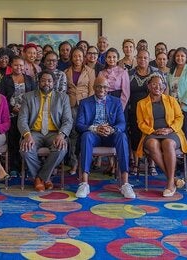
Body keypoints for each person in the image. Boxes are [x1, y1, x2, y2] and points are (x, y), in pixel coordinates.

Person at [76, 77, 135, 198]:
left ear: (108, 89)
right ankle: (84, 183)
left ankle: (125, 184)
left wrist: (112, 129)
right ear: (93, 87)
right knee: (86, 136)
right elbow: (79, 125)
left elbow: (122, 123)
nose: (102, 89)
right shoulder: (84, 103)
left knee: (122, 136)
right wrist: (95, 129)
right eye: (99, 86)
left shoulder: (116, 101)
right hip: (93, 135)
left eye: (105, 87)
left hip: (110, 135)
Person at [18, 70, 72, 192]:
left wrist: (61, 135)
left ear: (54, 83)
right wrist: (27, 135)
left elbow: (68, 120)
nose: (46, 83)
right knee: (25, 150)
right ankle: (45, 178)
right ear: (39, 82)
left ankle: (39, 178)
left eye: (49, 81)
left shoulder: (63, 97)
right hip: (34, 133)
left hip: (54, 133)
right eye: (43, 80)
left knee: (61, 148)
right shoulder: (28, 97)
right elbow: (22, 119)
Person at [136, 73, 187, 197]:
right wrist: (153, 131)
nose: (157, 87)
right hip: (152, 133)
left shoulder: (171, 100)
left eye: (160, 84)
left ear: (164, 86)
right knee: (152, 144)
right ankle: (173, 179)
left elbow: (179, 117)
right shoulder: (141, 103)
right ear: (149, 86)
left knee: (168, 143)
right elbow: (140, 123)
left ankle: (170, 183)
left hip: (171, 133)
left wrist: (170, 129)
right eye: (154, 84)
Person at [0, 56, 36, 176]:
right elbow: (2, 97)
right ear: (11, 66)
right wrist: (12, 109)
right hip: (11, 114)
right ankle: (14, 168)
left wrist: (26, 110)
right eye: (16, 65)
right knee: (13, 141)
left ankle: (25, 167)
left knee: (26, 141)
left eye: (21, 65)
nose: (18, 67)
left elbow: (34, 97)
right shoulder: (5, 80)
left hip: (27, 116)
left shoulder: (30, 79)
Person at [128, 50, 162, 176]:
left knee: (151, 135)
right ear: (136, 58)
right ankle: (136, 164)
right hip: (134, 109)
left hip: (152, 110)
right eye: (140, 57)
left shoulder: (156, 72)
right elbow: (126, 92)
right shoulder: (130, 73)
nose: (142, 60)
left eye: (145, 58)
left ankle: (151, 164)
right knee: (135, 136)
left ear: (149, 59)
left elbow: (163, 89)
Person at [166, 47, 187, 174]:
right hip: (173, 108)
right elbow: (169, 90)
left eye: (182, 56)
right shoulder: (171, 71)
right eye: (177, 56)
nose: (179, 58)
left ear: (186, 57)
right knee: (176, 135)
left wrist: (181, 106)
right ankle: (179, 163)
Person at [65, 47, 95, 175]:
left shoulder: (90, 71)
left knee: (85, 134)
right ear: (71, 57)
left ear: (84, 58)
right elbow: (64, 90)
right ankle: (74, 164)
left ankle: (84, 163)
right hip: (70, 106)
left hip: (85, 106)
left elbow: (93, 89)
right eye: (75, 56)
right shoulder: (66, 71)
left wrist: (90, 106)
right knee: (72, 135)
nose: (78, 58)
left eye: (80, 56)